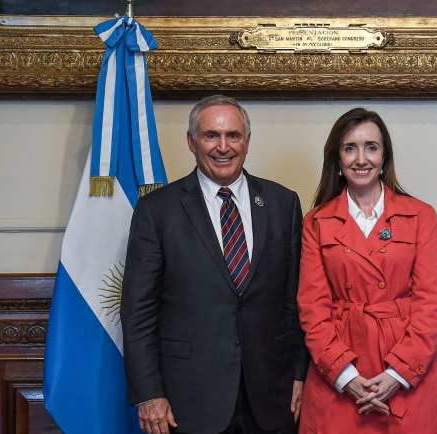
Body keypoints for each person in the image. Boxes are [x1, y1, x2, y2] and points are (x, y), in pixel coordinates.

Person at [121, 95, 310, 434]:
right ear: (192, 142)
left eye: (233, 136)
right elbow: (139, 313)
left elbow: (293, 300)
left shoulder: (284, 203)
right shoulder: (157, 211)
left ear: (247, 142)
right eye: (211, 136)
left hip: (272, 396)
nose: (223, 147)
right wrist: (149, 394)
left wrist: (300, 374)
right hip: (188, 401)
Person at [297, 108, 437, 433]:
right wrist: (348, 378)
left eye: (371, 147)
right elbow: (312, 310)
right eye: (350, 148)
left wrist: (396, 375)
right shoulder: (316, 222)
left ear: (385, 157)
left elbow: (430, 306)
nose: (361, 158)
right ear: (337, 159)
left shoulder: (420, 216)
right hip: (340, 378)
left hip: (409, 372)